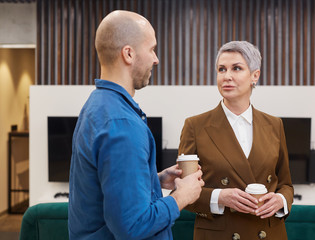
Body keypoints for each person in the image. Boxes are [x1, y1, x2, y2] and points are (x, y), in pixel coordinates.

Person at [68, 10, 204, 240]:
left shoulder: (97, 105)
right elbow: (133, 226)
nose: (156, 59)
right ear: (128, 54)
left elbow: (108, 187)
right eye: (151, 49)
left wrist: (154, 179)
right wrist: (182, 196)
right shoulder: (122, 124)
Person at [178, 41, 294, 240]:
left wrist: (281, 200)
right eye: (221, 69)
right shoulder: (195, 126)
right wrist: (219, 198)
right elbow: (182, 192)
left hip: (268, 232)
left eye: (236, 68)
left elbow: (286, 184)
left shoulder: (275, 125)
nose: (227, 76)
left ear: (254, 76)